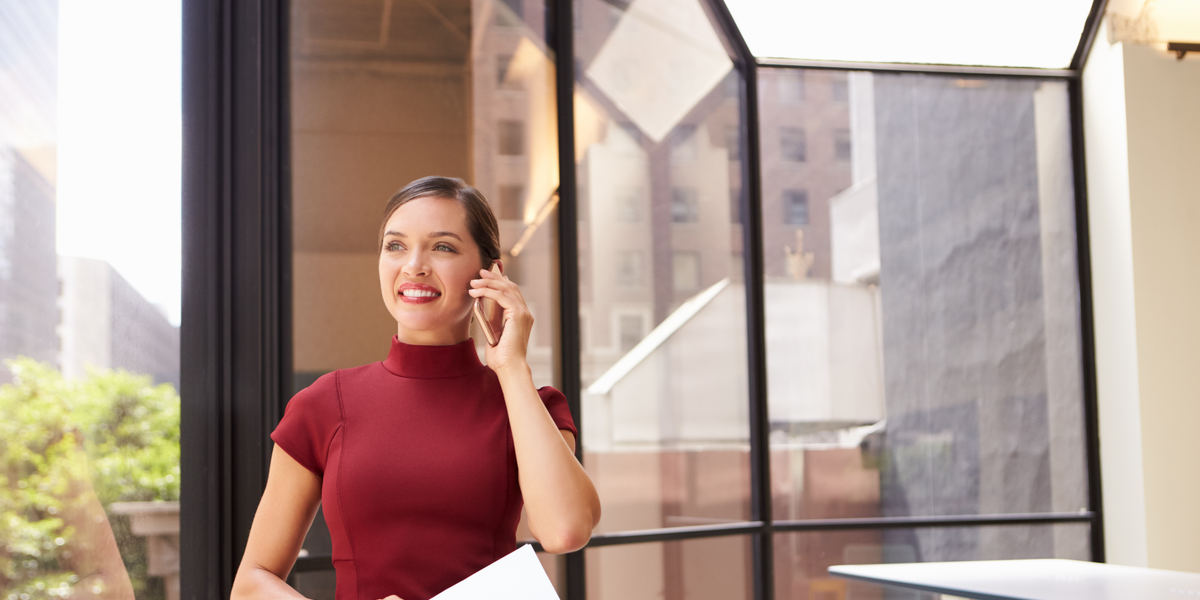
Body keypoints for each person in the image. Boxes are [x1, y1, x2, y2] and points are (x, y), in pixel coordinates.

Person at [230, 176, 601, 600]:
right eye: (396, 246)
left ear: (490, 274)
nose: (414, 265)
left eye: (442, 246)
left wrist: (510, 365)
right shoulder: (323, 405)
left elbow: (564, 530)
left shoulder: (531, 406)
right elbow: (252, 582)